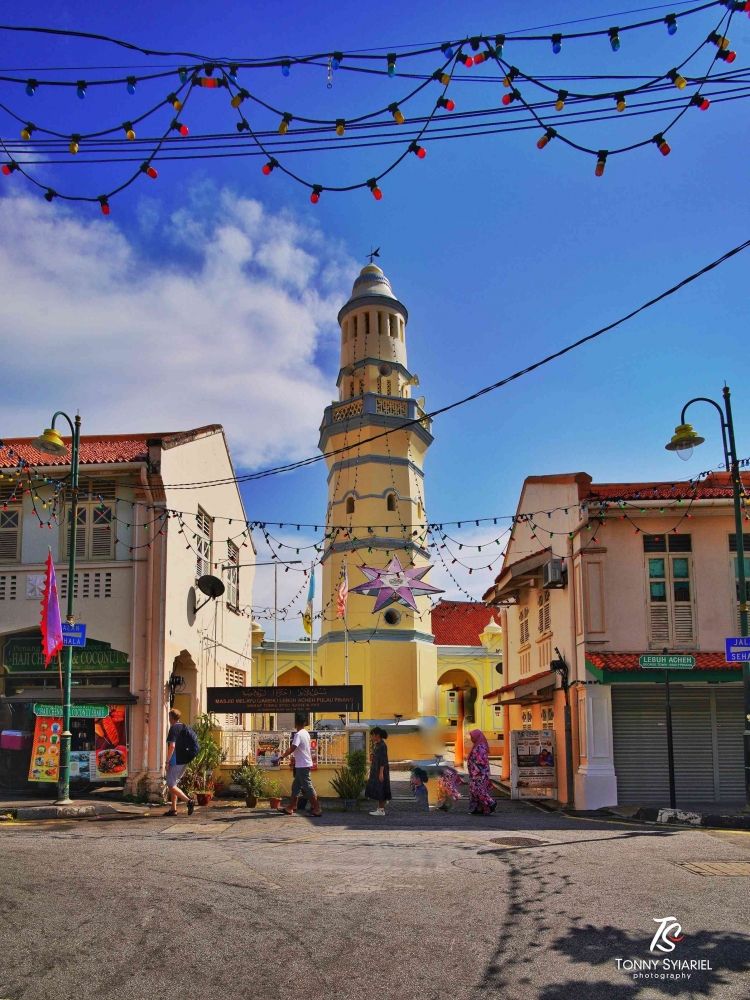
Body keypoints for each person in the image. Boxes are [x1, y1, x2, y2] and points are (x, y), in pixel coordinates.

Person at [276, 711, 322, 817]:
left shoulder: (298, 735)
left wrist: (282, 756)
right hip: (302, 764)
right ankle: (290, 808)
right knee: (295, 787)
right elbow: (301, 749)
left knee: (308, 788)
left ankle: (317, 809)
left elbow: (293, 748)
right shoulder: (306, 733)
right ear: (305, 723)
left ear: (295, 724)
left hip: (302, 765)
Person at [164, 708, 195, 817]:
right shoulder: (184, 726)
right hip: (184, 760)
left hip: (175, 760)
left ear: (170, 718)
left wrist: (167, 762)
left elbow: (172, 746)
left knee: (171, 784)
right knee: (174, 784)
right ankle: (173, 809)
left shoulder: (173, 729)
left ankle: (189, 801)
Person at [467, 729, 496, 816]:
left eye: (472, 737)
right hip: (476, 773)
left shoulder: (481, 747)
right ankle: (480, 808)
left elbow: (481, 762)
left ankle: (490, 803)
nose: (471, 738)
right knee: (475, 790)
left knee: (477, 790)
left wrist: (475, 772)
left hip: (480, 774)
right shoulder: (477, 746)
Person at [365, 726, 391, 816]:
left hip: (381, 771)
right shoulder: (378, 745)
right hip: (377, 770)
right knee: (379, 789)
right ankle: (380, 808)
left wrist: (381, 773)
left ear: (377, 735)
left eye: (373, 735)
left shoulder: (382, 746)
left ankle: (381, 810)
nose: (372, 737)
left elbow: (383, 760)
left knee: (381, 789)